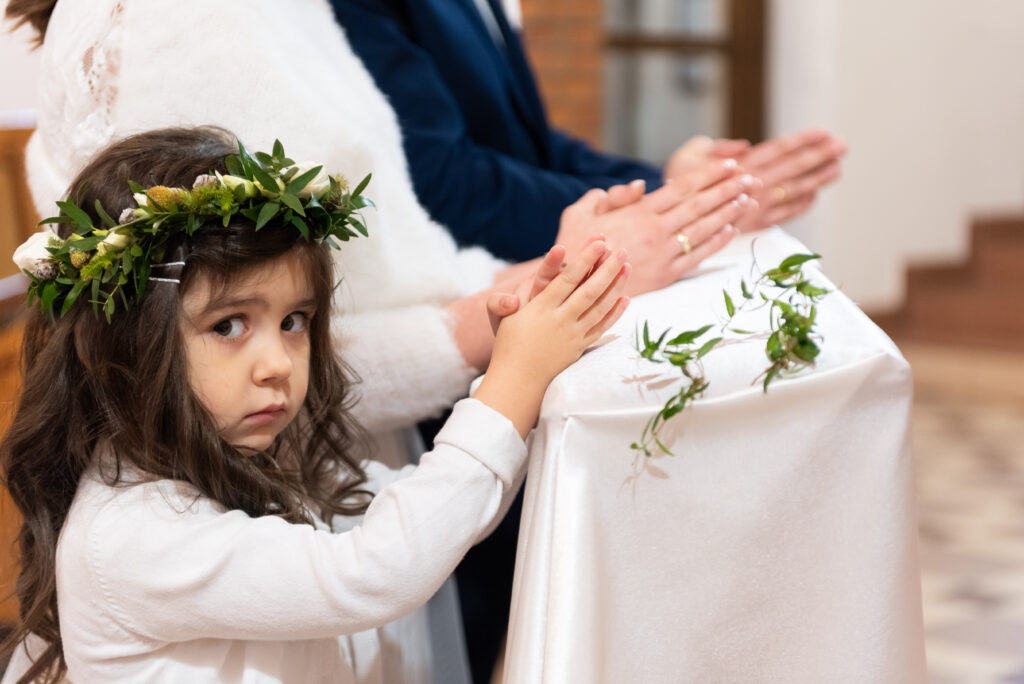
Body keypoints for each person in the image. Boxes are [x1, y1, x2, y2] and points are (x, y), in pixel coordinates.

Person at [0, 126, 631, 683]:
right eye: (228, 326)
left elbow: (429, 517)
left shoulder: (244, 458)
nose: (278, 364)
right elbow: (378, 570)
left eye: (295, 320)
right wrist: (511, 384)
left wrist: (516, 372)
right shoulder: (129, 536)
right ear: (124, 341)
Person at [331, 0, 847, 262]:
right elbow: (443, 181)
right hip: (469, 298)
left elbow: (534, 144)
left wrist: (663, 181)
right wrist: (668, 205)